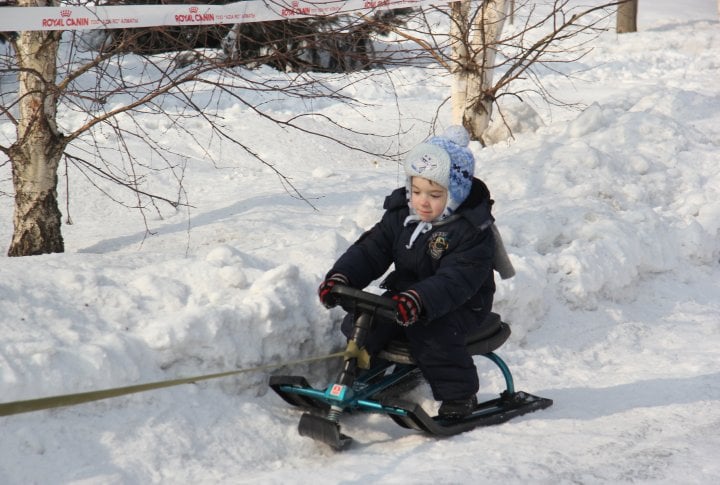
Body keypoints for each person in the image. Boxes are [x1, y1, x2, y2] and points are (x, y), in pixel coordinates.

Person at [318, 125, 499, 419]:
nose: (423, 201)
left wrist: (419, 299)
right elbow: (371, 250)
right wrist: (341, 278)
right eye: (416, 191)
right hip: (408, 296)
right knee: (363, 323)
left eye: (435, 194)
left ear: (456, 193)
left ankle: (459, 396)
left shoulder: (471, 231)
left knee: (432, 335)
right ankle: (365, 374)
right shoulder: (402, 216)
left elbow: (456, 279)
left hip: (462, 304)